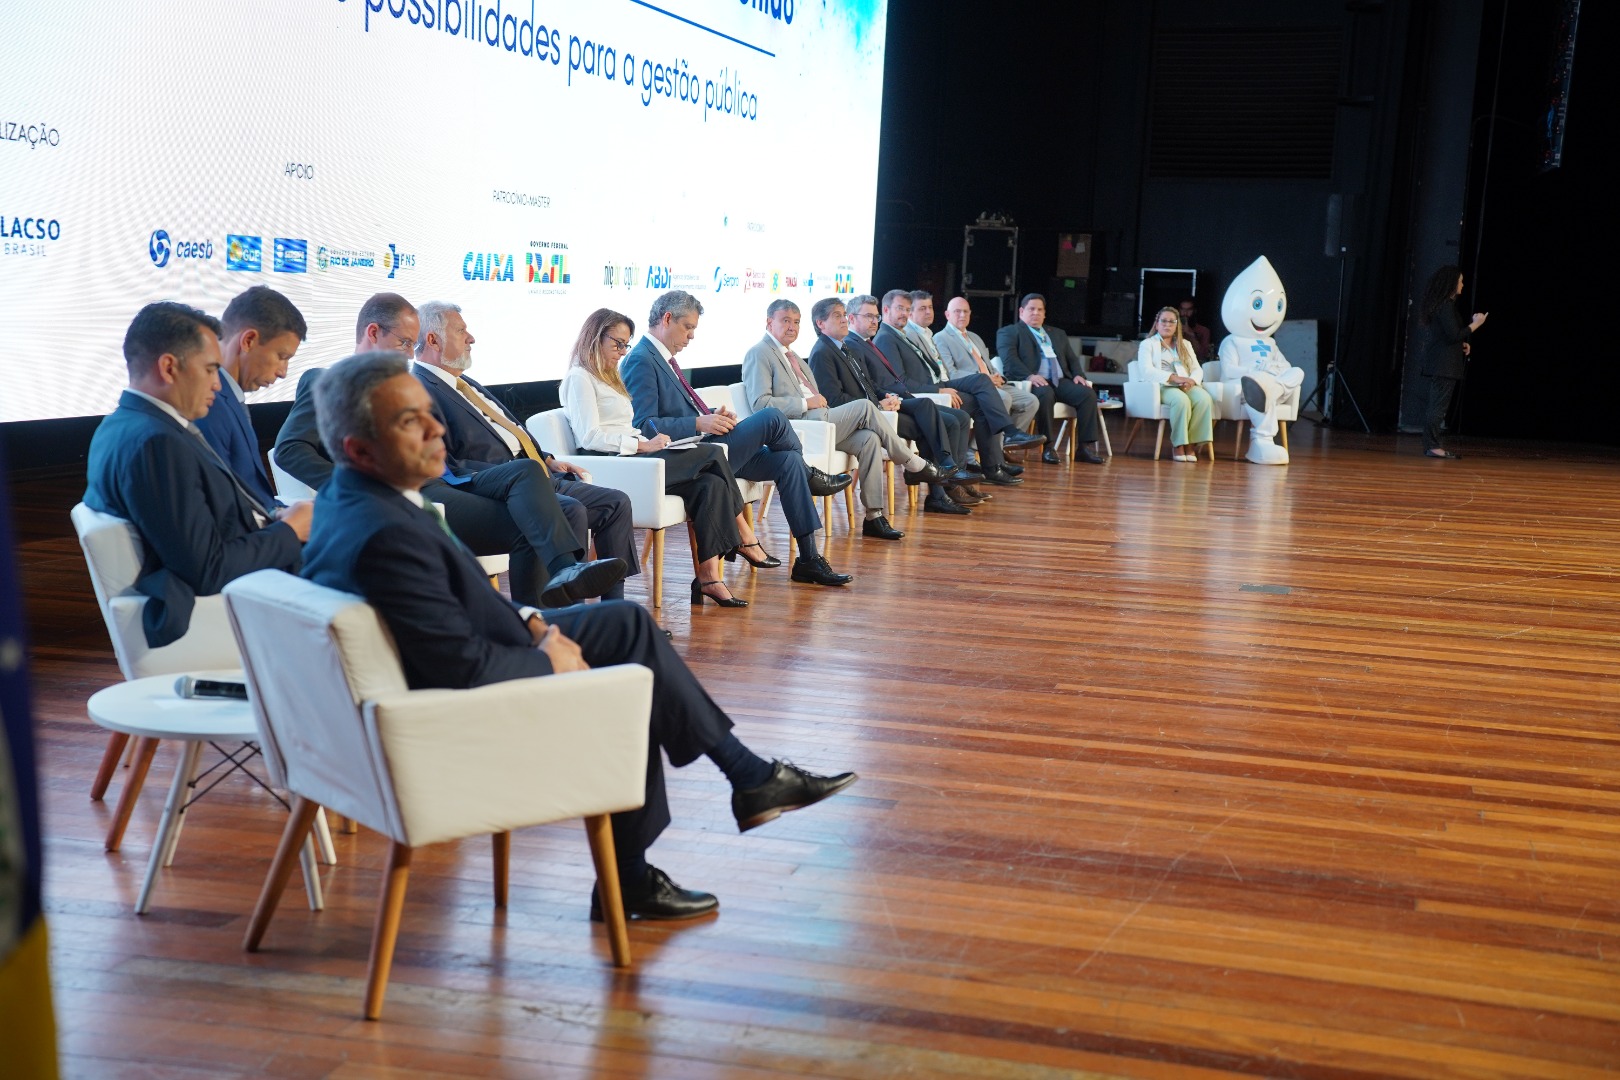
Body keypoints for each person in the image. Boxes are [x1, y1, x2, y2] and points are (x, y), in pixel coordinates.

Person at [299, 351, 859, 920]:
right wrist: (549, 660)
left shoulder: (370, 502)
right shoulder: (384, 533)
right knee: (628, 682)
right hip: (446, 720)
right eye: (409, 420)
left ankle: (746, 777)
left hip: (462, 664)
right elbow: (459, 665)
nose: (436, 428)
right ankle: (643, 865)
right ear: (358, 449)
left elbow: (461, 604)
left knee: (627, 625)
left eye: (429, 412)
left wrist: (532, 621)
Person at [272, 293, 624, 608]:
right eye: (404, 343)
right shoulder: (326, 380)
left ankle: (558, 590)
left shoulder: (401, 385)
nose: (409, 354)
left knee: (530, 482)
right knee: (532, 523)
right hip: (415, 495)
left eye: (412, 344)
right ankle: (542, 621)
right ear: (373, 332)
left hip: (439, 483)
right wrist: (356, 490)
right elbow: (290, 449)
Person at [84, 302, 311, 646]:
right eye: (209, 370)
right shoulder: (158, 443)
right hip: (247, 594)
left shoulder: (123, 426)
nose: (218, 385)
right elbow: (208, 570)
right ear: (169, 367)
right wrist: (290, 531)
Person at [620, 290, 854, 587]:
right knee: (772, 417)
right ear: (667, 319)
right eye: (688, 327)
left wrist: (711, 415)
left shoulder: (664, 359)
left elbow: (677, 412)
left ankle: (809, 558)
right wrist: (698, 422)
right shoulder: (642, 359)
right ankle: (811, 476)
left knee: (788, 461)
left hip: (708, 446)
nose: (691, 336)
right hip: (691, 458)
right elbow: (644, 425)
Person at [412, 300, 638, 599]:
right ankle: (568, 610)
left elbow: (511, 429)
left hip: (537, 472)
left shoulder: (464, 383)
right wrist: (512, 472)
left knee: (616, 503)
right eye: (461, 331)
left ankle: (612, 608)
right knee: (570, 509)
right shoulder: (419, 388)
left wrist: (547, 459)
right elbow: (446, 462)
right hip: (499, 482)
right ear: (433, 340)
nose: (471, 338)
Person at [561, 307, 764, 606]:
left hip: (635, 457)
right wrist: (641, 446)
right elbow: (589, 437)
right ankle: (744, 534)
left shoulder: (609, 377)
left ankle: (709, 579)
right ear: (595, 337)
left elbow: (625, 426)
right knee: (710, 453)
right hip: (615, 465)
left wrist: (650, 443)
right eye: (617, 343)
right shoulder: (580, 377)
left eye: (626, 344)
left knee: (709, 484)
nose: (622, 351)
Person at [743, 299, 944, 541]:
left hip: (821, 423)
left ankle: (874, 516)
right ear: (769, 322)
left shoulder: (793, 356)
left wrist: (815, 402)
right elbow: (761, 405)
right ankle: (910, 461)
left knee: (869, 439)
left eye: (796, 322)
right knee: (865, 407)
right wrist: (806, 403)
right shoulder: (759, 353)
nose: (792, 327)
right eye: (785, 321)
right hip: (799, 429)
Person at [875, 289, 1042, 486]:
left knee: (982, 381)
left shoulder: (903, 334)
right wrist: (937, 390)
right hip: (928, 390)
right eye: (901, 309)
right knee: (980, 405)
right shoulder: (888, 337)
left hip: (939, 383)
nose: (905, 313)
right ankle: (986, 467)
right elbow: (900, 381)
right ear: (886, 310)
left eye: (907, 308)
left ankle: (1005, 441)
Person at [830, 294, 980, 513]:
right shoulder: (852, 344)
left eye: (875, 317)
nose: (874, 321)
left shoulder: (863, 344)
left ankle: (949, 480)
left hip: (888, 401)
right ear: (852, 318)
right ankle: (943, 482)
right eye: (869, 316)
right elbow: (853, 392)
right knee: (933, 418)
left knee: (951, 416)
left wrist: (886, 397)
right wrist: (883, 401)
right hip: (877, 411)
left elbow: (871, 383)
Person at [194, 285, 305, 509]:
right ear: (248, 341)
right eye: (282, 356)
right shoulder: (207, 406)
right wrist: (286, 522)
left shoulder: (229, 399)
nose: (283, 372)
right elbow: (224, 507)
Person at [996, 293, 1104, 464]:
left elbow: (1072, 359)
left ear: (1044, 313)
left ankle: (1084, 448)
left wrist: (1078, 374)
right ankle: (1048, 447)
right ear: (1021, 311)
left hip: (1060, 381)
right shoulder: (1009, 332)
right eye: (1031, 309)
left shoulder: (1057, 333)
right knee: (1045, 394)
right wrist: (1030, 376)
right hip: (1032, 381)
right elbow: (1010, 360)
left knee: (1087, 394)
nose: (1036, 313)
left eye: (1040, 310)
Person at [934, 295, 1040, 451]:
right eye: (957, 311)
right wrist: (985, 378)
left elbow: (988, 364)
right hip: (972, 387)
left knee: (1031, 401)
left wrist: (999, 377)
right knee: (1004, 398)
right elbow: (951, 373)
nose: (962, 315)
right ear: (947, 314)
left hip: (993, 383)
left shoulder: (974, 337)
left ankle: (1006, 443)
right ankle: (978, 450)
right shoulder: (941, 338)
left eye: (966, 311)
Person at [1417, 265, 1487, 459]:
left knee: (1437, 406)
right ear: (1451, 283)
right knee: (1438, 407)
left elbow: (1448, 335)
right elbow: (1453, 334)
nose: (1462, 284)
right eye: (1460, 281)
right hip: (1444, 365)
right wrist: (1476, 324)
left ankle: (1432, 445)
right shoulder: (1446, 306)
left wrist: (1462, 344)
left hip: (1443, 362)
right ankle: (1433, 446)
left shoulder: (1442, 305)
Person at [1138, 307, 1215, 462]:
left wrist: (1192, 381)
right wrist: (1173, 378)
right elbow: (1146, 371)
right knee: (1181, 401)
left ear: (1177, 325)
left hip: (1185, 384)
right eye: (1163, 321)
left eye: (1171, 322)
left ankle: (1191, 444)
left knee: (1204, 399)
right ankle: (1179, 444)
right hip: (1163, 385)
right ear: (1157, 324)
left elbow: (1196, 368)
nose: (1167, 325)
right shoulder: (1148, 344)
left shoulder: (1185, 344)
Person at [1178, 297, 1214, 363]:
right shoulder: (1171, 328)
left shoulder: (1203, 331)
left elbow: (1202, 356)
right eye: (1182, 309)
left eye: (1189, 310)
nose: (1185, 313)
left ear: (1194, 311)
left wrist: (1191, 335)